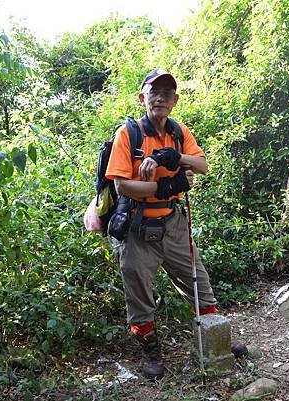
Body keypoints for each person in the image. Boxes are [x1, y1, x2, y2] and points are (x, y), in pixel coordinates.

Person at [105, 69, 245, 380]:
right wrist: (164, 187)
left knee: (198, 283)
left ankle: (214, 338)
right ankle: (151, 351)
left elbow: (202, 166)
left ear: (175, 100)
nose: (160, 98)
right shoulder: (128, 135)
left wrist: (174, 157)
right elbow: (123, 187)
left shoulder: (179, 132)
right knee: (139, 294)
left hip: (174, 223)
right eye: (154, 92)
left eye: (167, 93)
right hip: (137, 227)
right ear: (142, 98)